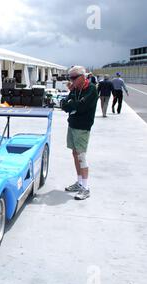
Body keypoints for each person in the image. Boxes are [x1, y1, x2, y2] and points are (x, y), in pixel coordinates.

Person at [61, 66, 98, 200]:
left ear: (83, 77)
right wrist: (69, 103)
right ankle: (79, 182)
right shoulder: (75, 89)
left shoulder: (91, 89)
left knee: (81, 155)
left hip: (82, 126)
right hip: (72, 124)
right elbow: (65, 105)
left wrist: (71, 104)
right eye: (70, 78)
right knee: (75, 153)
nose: (71, 81)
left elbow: (81, 106)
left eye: (73, 78)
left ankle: (85, 187)